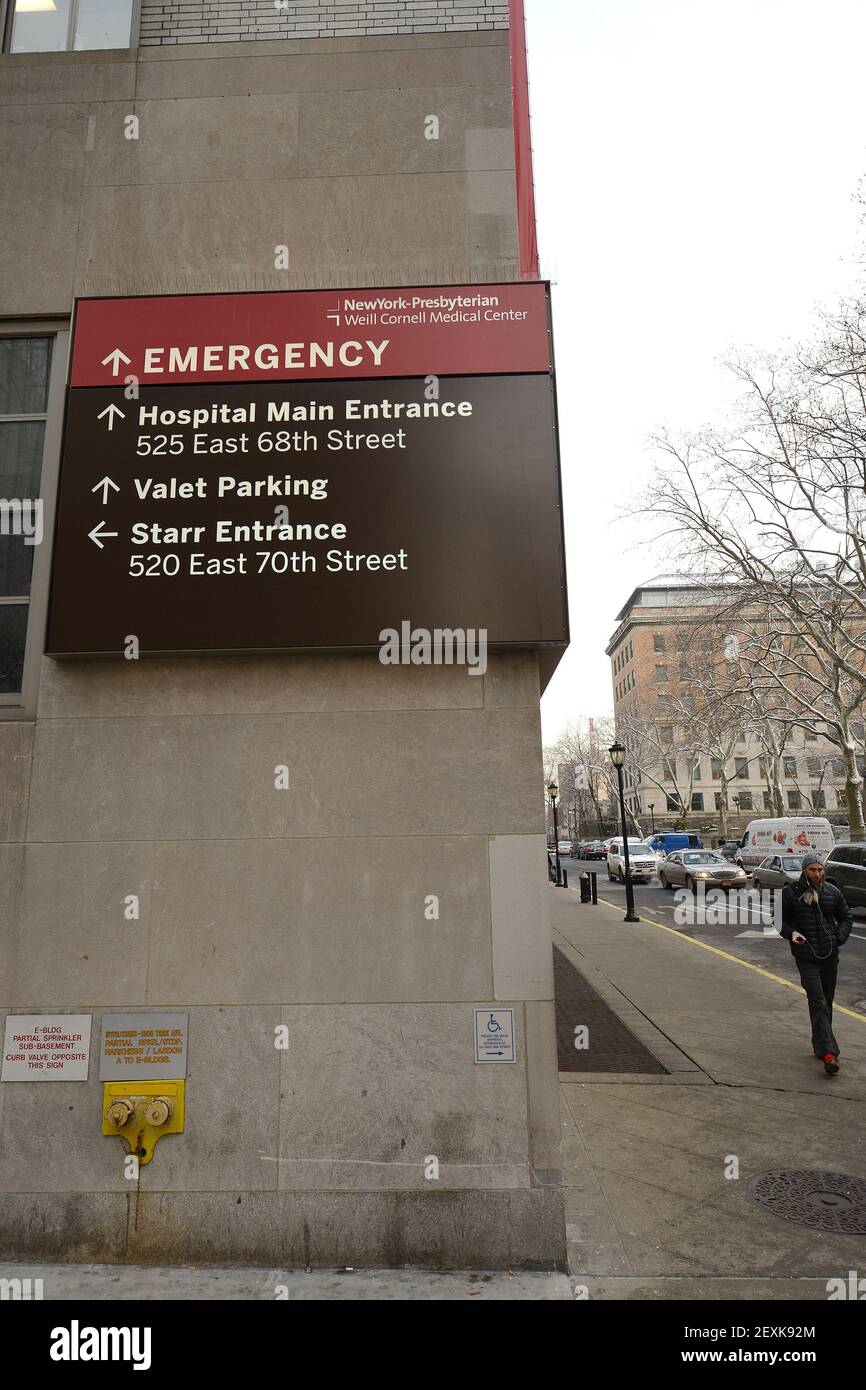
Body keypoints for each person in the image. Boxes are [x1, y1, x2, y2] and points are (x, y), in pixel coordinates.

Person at [780, 852, 852, 1074]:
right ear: (804, 870)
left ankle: (819, 1042)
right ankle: (829, 1054)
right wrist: (792, 933)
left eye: (820, 869)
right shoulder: (790, 893)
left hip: (829, 955)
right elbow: (779, 921)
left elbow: (845, 917)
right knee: (817, 1000)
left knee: (826, 1001)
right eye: (813, 869)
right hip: (806, 956)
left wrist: (838, 937)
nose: (818, 874)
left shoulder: (832, 892)